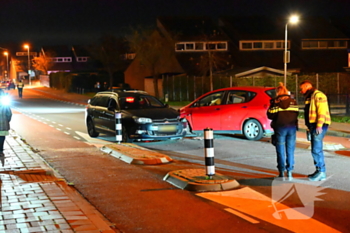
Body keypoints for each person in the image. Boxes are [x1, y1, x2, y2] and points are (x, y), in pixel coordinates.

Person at [300, 80, 331, 181]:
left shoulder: (318, 95)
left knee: (316, 149)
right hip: (314, 125)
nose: (301, 91)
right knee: (315, 149)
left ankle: (321, 172)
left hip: (318, 125)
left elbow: (321, 111)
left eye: (302, 89)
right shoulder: (311, 96)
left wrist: (319, 125)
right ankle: (319, 170)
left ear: (308, 86)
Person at [267, 82, 299, 180]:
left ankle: (281, 172)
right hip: (292, 128)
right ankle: (289, 172)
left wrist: (272, 104)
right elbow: (296, 114)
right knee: (290, 150)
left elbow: (270, 115)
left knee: (280, 151)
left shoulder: (276, 103)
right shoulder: (294, 102)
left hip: (280, 128)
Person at [0, 89, 12, 157]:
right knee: (1, 137)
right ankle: (0, 150)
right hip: (3, 124)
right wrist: (7, 121)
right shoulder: (4, 103)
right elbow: (9, 114)